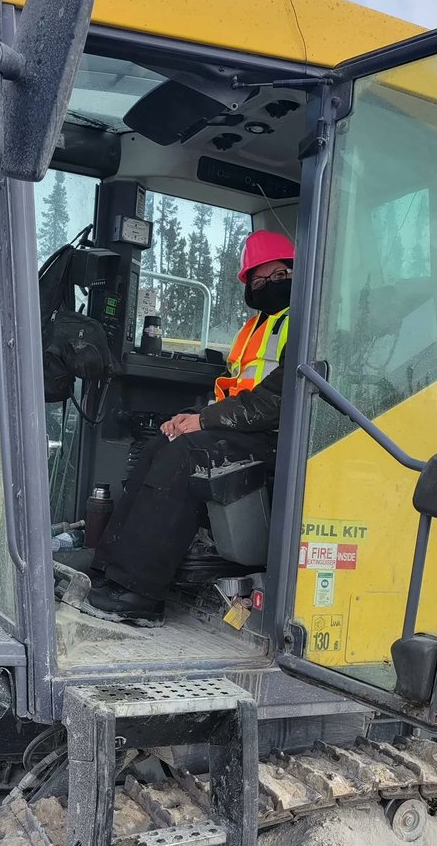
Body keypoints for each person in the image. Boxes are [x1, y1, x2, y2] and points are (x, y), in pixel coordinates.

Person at [88, 231, 295, 625]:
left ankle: (140, 592)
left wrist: (203, 422)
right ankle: (108, 570)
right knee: (159, 445)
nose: (268, 286)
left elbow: (277, 404)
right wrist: (188, 418)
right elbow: (230, 393)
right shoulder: (252, 330)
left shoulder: (305, 327)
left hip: (279, 439)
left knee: (187, 458)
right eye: (259, 280)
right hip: (240, 429)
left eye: (278, 276)